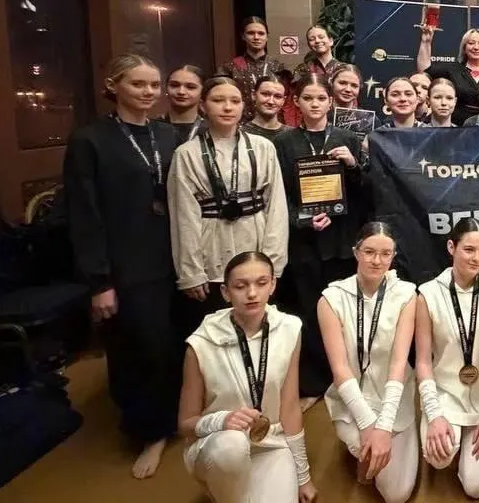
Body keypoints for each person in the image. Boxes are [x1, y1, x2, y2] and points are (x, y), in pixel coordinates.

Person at [64, 54, 181, 478]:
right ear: (114, 86)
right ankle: (149, 432)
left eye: (154, 84)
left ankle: (176, 417)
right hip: (125, 262)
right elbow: (84, 215)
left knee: (171, 345)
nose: (149, 92)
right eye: (138, 84)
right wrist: (99, 281)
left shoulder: (167, 135)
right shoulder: (90, 140)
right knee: (138, 349)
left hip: (174, 256)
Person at [179, 252, 317, 503]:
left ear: (273, 285)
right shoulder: (201, 342)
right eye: (241, 286)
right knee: (232, 447)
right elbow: (185, 423)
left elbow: (289, 407)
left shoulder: (289, 328)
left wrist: (303, 475)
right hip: (218, 443)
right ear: (225, 292)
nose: (252, 293)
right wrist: (222, 420)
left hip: (271, 440)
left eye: (261, 283)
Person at [274, 74, 367, 409]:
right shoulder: (284, 143)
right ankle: (314, 383)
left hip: (341, 241)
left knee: (346, 312)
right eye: (308, 98)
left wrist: (353, 165)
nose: (314, 104)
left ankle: (351, 377)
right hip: (305, 242)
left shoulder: (348, 139)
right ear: (296, 102)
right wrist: (302, 219)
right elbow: (279, 194)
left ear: (331, 102)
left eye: (320, 99)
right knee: (309, 313)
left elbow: (365, 193)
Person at [168, 77, 288, 322]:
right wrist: (191, 273)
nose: (227, 107)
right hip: (211, 251)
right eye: (218, 100)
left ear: (243, 105)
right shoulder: (187, 154)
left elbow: (276, 207)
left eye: (234, 101)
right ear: (203, 105)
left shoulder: (263, 148)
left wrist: (273, 261)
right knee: (216, 326)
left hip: (255, 241)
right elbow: (184, 217)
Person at [320, 223, 419, 503]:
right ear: (356, 252)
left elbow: (398, 364)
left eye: (385, 254)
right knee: (365, 450)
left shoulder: (406, 294)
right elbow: (340, 369)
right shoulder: (331, 299)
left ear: (393, 256)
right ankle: (359, 446)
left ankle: (398, 435)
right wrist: (367, 425)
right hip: (351, 400)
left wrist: (384, 426)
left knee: (396, 495)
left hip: (392, 397)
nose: (377, 260)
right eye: (369, 252)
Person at [415, 219, 479, 498]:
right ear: (451, 247)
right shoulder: (428, 293)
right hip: (447, 395)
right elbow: (423, 362)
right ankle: (452, 436)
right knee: (439, 457)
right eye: (469, 249)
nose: (476, 258)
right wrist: (434, 414)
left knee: (475, 488)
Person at [417, 26, 479, 125]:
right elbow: (424, 72)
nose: (476, 47)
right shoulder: (452, 70)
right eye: (471, 43)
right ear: (464, 48)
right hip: (457, 128)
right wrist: (426, 41)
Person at [217, 16, 288, 121]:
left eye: (261, 33)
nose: (256, 37)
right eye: (251, 33)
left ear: (267, 37)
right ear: (243, 36)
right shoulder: (230, 67)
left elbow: (288, 103)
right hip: (241, 124)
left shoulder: (280, 68)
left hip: (274, 123)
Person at [163, 65, 206, 145]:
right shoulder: (151, 128)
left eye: (190, 87)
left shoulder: (211, 129)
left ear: (203, 92)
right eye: (174, 85)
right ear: (166, 88)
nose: (181, 92)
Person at [243, 76, 287, 141]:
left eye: (277, 96)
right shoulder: (240, 134)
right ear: (254, 95)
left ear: (283, 101)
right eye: (265, 94)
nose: (271, 102)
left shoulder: (293, 135)